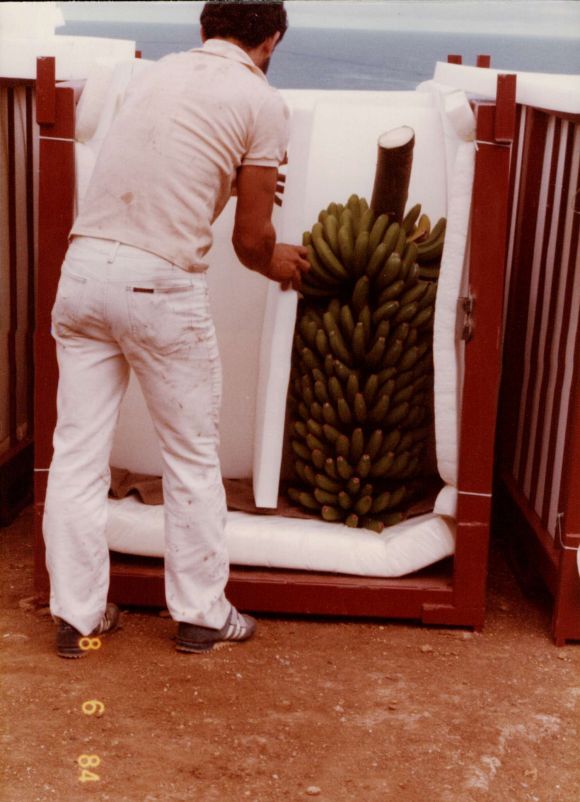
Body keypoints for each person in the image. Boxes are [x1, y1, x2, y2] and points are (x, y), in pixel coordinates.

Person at [43, 1, 310, 658]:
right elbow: (252, 243)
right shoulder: (261, 100)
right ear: (271, 41)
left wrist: (233, 189)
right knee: (191, 456)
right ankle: (200, 614)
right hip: (158, 289)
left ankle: (76, 619)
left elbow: (165, 178)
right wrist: (287, 263)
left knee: (76, 455)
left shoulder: (150, 76)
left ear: (202, 31)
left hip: (82, 273)